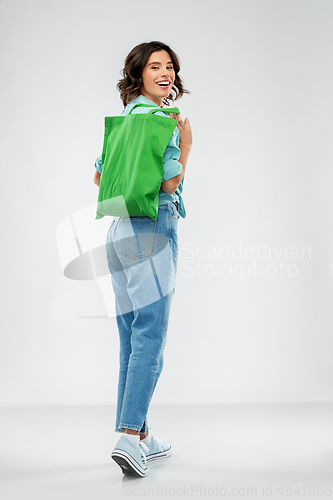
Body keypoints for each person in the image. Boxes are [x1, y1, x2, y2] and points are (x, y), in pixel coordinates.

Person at [93, 41, 192, 477]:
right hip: (152, 228)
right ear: (138, 73)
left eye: (169, 66)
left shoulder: (125, 119)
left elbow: (99, 176)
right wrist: (185, 145)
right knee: (150, 338)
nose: (165, 72)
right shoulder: (163, 120)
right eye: (155, 66)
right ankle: (130, 437)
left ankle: (142, 433)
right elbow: (170, 184)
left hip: (117, 232)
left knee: (131, 338)